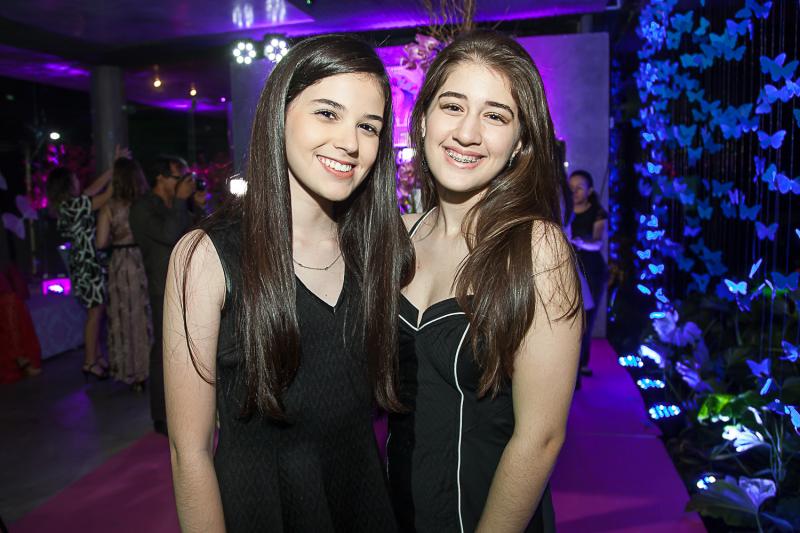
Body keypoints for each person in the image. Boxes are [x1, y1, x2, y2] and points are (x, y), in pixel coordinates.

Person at [163, 34, 412, 532]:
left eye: (368, 126)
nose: (350, 142)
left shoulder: (379, 250)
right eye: (327, 113)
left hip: (364, 504)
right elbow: (189, 452)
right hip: (264, 511)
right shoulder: (207, 256)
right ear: (279, 114)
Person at [387, 31, 583, 532]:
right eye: (453, 106)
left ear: (520, 143)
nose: (467, 133)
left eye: (495, 116)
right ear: (423, 120)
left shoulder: (536, 249)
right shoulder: (396, 236)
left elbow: (540, 438)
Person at [129, 155, 204, 434]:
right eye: (178, 177)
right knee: (165, 349)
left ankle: (193, 406)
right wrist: (182, 202)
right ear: (160, 178)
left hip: (192, 282)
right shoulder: (143, 208)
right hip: (162, 286)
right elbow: (170, 234)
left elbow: (202, 232)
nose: (184, 182)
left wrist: (197, 205)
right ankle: (162, 415)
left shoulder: (179, 204)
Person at [46, 146, 128, 381]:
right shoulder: (73, 206)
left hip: (83, 264)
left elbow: (92, 190)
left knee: (95, 313)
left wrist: (112, 166)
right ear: (66, 184)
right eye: (73, 179)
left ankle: (96, 356)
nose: (77, 181)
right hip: (87, 265)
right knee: (95, 314)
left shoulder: (67, 205)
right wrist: (119, 169)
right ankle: (89, 362)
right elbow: (105, 195)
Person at [96, 157, 152, 391]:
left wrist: (115, 236)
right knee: (144, 314)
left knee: (123, 316)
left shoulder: (109, 207)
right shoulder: (146, 204)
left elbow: (100, 243)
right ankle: (148, 369)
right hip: (143, 260)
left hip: (120, 262)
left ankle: (129, 371)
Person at [568, 169, 608, 380]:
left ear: (590, 190)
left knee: (586, 318)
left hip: (591, 269)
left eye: (579, 188)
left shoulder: (597, 212)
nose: (574, 192)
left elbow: (597, 242)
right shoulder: (563, 209)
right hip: (569, 267)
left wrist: (580, 242)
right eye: (571, 187)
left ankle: (581, 362)